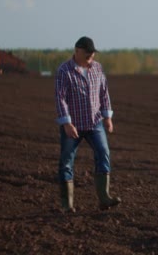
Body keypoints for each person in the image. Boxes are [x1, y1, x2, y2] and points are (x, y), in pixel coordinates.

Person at [55, 36, 121, 213]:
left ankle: (104, 198)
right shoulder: (64, 70)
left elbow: (104, 93)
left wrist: (107, 117)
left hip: (95, 123)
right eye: (88, 53)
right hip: (73, 125)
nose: (91, 56)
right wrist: (67, 123)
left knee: (103, 152)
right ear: (77, 51)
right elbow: (60, 98)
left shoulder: (97, 68)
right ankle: (67, 205)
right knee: (66, 161)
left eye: (92, 53)